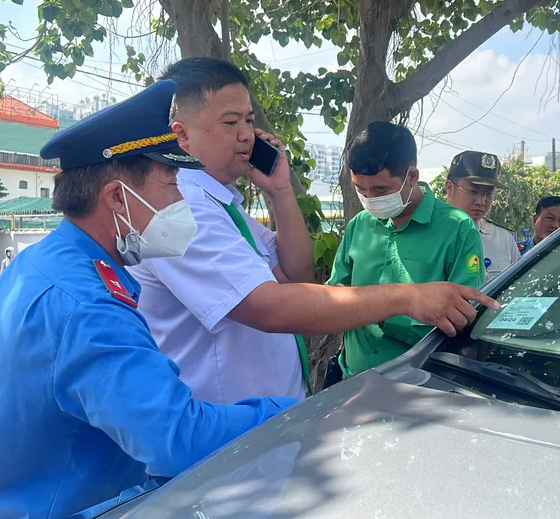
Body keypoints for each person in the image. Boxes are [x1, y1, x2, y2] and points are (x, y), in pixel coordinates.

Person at [0, 80, 296, 519]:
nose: (182, 203)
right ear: (119, 197)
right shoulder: (89, 305)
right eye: (172, 184)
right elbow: (175, 438)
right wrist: (292, 412)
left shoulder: (32, 267)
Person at [128, 57, 498, 403]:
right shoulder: (179, 209)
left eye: (248, 119)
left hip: (400, 388)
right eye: (231, 122)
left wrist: (281, 193)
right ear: (182, 135)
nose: (247, 135)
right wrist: (408, 298)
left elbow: (295, 275)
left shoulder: (222, 206)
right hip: (226, 426)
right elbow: (269, 308)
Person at [327, 121, 487, 379]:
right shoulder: (360, 225)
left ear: (412, 176)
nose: (369, 198)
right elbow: (335, 293)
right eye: (360, 189)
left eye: (381, 190)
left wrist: (379, 310)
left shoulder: (457, 228)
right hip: (351, 380)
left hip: (419, 388)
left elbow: (463, 318)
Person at [444, 151, 520, 281]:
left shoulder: (503, 240)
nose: (481, 201)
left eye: (488, 194)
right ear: (450, 188)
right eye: (474, 191)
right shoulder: (427, 234)